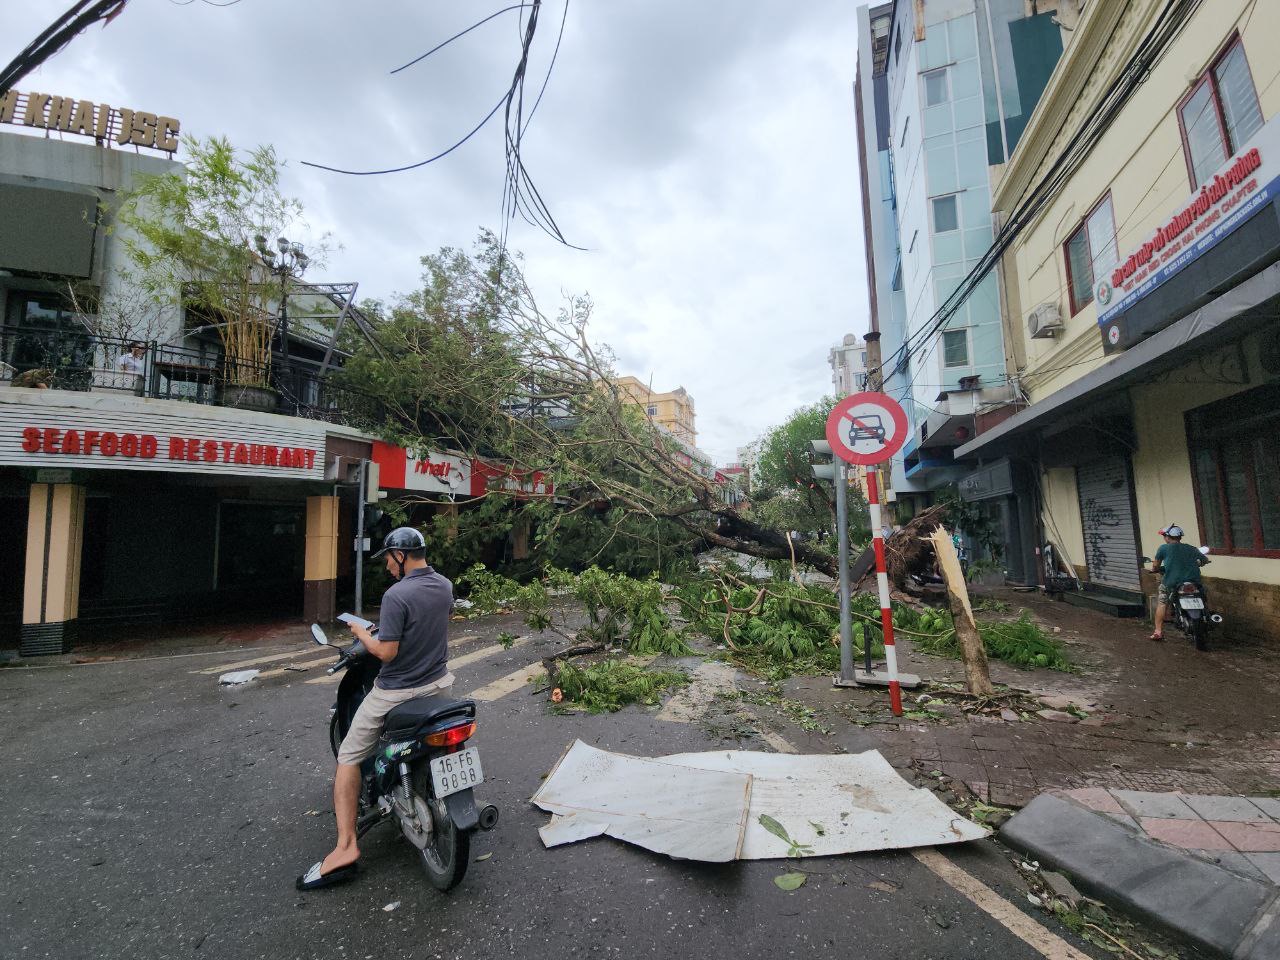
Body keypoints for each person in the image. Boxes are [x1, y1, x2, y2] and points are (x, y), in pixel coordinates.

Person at [297, 526, 455, 891]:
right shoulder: (444, 586)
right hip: (440, 683)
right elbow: (427, 625)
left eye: (387, 558)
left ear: (401, 555)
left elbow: (387, 652)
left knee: (349, 757)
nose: (386, 565)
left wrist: (363, 635)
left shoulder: (396, 594)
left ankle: (346, 847)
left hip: (397, 692)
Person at [1148, 524, 1208, 641]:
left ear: (1168, 537)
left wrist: (1155, 569)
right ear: (1180, 537)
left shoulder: (1163, 548)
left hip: (1171, 582)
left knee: (1162, 602)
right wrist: (1199, 563)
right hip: (1193, 581)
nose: (1164, 538)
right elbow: (1204, 560)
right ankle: (1206, 616)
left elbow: (1156, 565)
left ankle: (1158, 631)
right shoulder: (1191, 548)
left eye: (1164, 536)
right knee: (1203, 595)